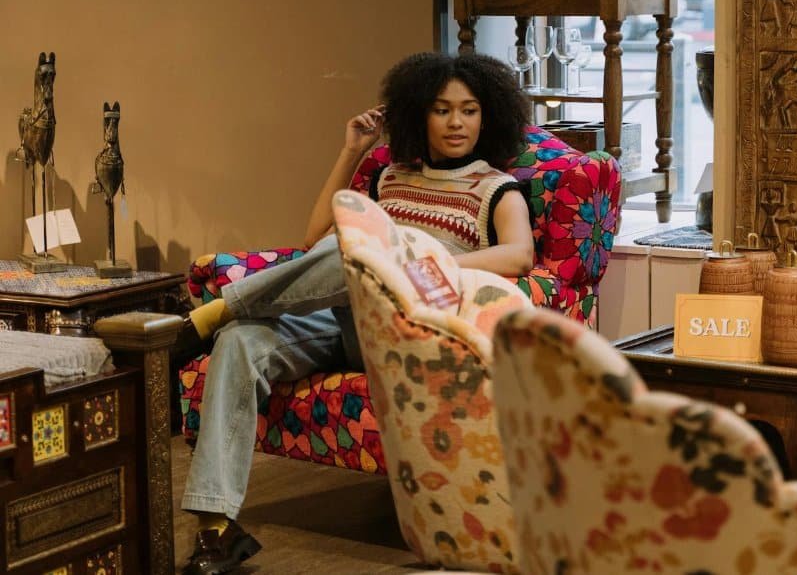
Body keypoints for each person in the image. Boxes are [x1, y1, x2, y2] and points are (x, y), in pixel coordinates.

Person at [179, 52, 534, 575]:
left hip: (415, 328)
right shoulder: (389, 178)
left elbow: (519, 255)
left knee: (368, 247)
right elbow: (315, 240)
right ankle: (215, 530)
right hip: (348, 321)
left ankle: (207, 318)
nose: (457, 122)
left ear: (488, 117)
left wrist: (417, 260)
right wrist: (351, 154)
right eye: (442, 110)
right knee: (246, 338)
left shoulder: (495, 189)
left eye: (470, 110)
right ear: (420, 115)